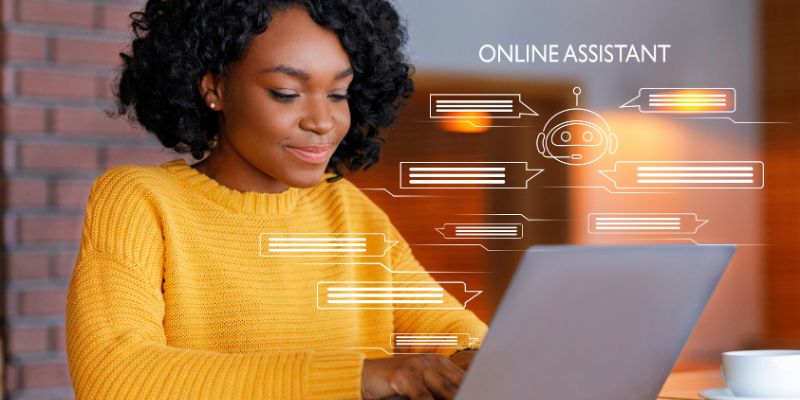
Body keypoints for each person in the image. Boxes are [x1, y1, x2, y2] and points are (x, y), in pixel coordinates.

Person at [65, 1, 488, 399]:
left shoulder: (348, 210)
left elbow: (453, 330)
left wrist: (476, 358)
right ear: (214, 87)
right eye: (286, 92)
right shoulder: (140, 202)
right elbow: (115, 377)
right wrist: (363, 377)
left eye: (338, 94)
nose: (322, 122)